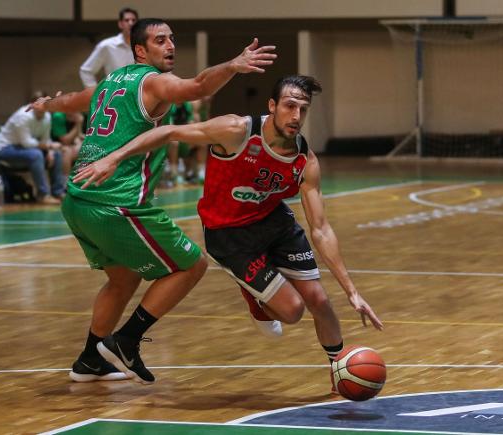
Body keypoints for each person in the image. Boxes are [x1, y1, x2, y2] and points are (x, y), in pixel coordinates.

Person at [72, 75, 383, 390]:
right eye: (290, 106)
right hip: (228, 233)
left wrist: (352, 291)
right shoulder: (235, 131)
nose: (296, 116)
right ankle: (252, 291)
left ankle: (339, 370)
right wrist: (112, 158)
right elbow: (168, 131)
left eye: (303, 109)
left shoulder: (305, 160)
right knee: (292, 311)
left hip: (274, 222)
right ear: (272, 106)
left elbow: (321, 229)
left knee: (318, 299)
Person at [30, 18, 277, 384]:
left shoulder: (108, 84)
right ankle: (126, 342)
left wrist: (45, 104)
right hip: (115, 201)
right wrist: (232, 66)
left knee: (123, 278)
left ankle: (90, 359)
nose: (171, 46)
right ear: (140, 50)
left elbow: (71, 101)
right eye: (160, 40)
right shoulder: (153, 81)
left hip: (77, 201)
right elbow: (195, 87)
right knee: (191, 266)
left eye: (172, 39)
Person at [0, 92, 65, 205]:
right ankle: (43, 195)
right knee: (36, 155)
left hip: (27, 149)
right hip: (5, 149)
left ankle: (58, 192)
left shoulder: (47, 117)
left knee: (56, 155)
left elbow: (46, 140)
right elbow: (26, 142)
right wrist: (48, 146)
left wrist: (50, 151)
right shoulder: (23, 116)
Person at [79, 7, 139, 87]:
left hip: (137, 96)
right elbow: (86, 71)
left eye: (133, 20)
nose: (131, 23)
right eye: (127, 20)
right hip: (113, 95)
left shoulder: (143, 45)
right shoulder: (107, 45)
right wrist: (95, 93)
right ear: (120, 24)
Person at [51, 111, 84, 176]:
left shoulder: (77, 114)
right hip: (55, 144)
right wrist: (78, 124)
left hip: (70, 144)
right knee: (67, 152)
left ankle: (82, 178)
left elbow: (79, 135)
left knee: (87, 146)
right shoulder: (58, 116)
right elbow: (65, 141)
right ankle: (66, 181)